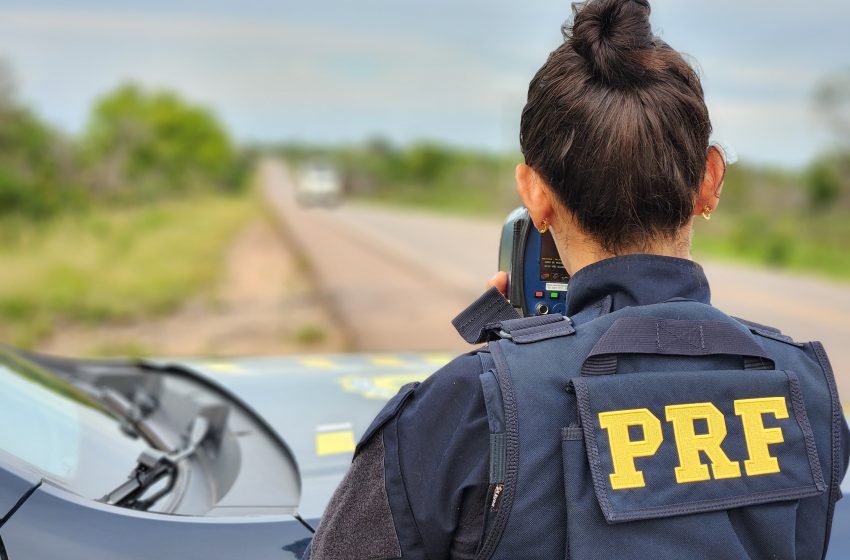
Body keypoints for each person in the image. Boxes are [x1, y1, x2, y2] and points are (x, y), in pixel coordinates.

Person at [302, 0, 850, 558]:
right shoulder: (806, 390)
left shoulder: (466, 411)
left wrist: (514, 366)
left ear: (536, 194)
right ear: (709, 181)